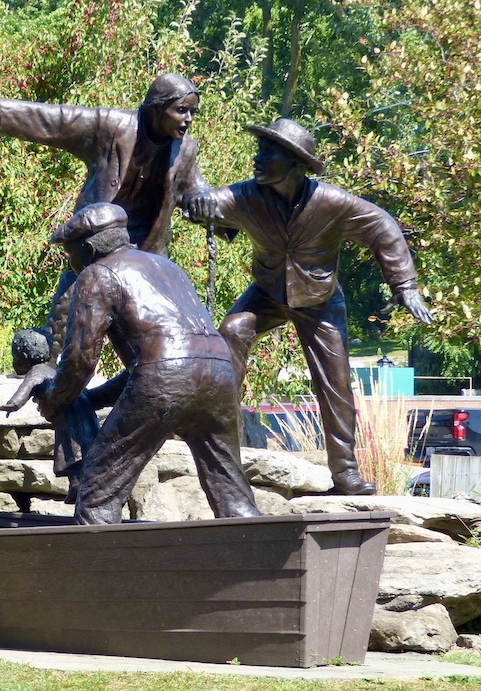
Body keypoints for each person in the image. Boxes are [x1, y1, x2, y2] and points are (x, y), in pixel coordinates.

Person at [185, 118, 433, 495]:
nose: (257, 158)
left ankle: (345, 473)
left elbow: (383, 227)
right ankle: (220, 443)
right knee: (231, 332)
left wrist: (405, 286)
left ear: (295, 163)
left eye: (267, 152)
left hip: (320, 300)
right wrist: (198, 200)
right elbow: (207, 202)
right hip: (267, 292)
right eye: (259, 149)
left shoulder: (332, 203)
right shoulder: (247, 196)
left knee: (335, 382)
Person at [33, 203, 261, 525]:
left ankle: (99, 556)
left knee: (98, 490)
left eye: (71, 256)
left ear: (87, 249)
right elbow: (173, 359)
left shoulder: (97, 274)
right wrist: (94, 398)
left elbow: (80, 362)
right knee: (232, 491)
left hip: (165, 380)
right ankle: (258, 547)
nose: (72, 266)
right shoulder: (167, 268)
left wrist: (54, 397)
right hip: (220, 373)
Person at [0, 73, 213, 358]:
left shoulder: (185, 150)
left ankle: (152, 370)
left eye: (192, 112)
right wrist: (5, 111)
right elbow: (60, 120)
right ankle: (47, 361)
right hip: (100, 238)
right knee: (70, 306)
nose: (188, 119)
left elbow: (195, 189)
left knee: (153, 325)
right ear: (157, 108)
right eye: (181, 110)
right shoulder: (112, 127)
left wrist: (206, 203)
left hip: (147, 250)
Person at [0, 328, 100, 503]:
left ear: (24, 356)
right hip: (80, 415)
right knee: (79, 454)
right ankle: (78, 487)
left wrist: (12, 405)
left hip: (69, 421)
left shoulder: (37, 372)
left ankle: (78, 487)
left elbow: (27, 388)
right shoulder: (52, 370)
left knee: (71, 454)